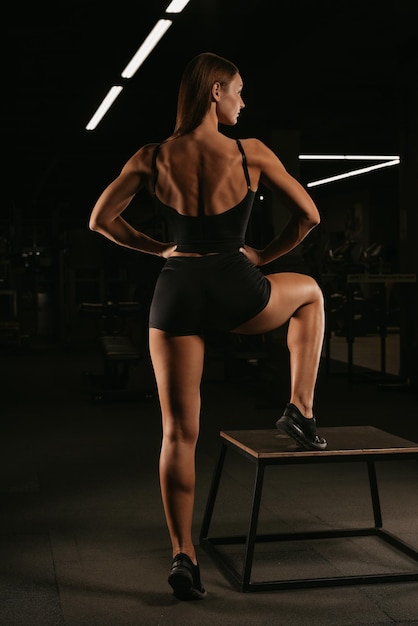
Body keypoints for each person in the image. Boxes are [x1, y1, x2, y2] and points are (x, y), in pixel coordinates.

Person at [89, 51, 327, 601]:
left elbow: (100, 219)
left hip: (176, 292)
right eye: (240, 90)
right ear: (216, 91)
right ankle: (300, 409)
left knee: (178, 433)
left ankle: (183, 554)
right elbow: (310, 216)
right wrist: (264, 257)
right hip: (236, 287)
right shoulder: (250, 153)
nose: (245, 101)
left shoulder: (152, 157)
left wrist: (156, 247)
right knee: (310, 293)